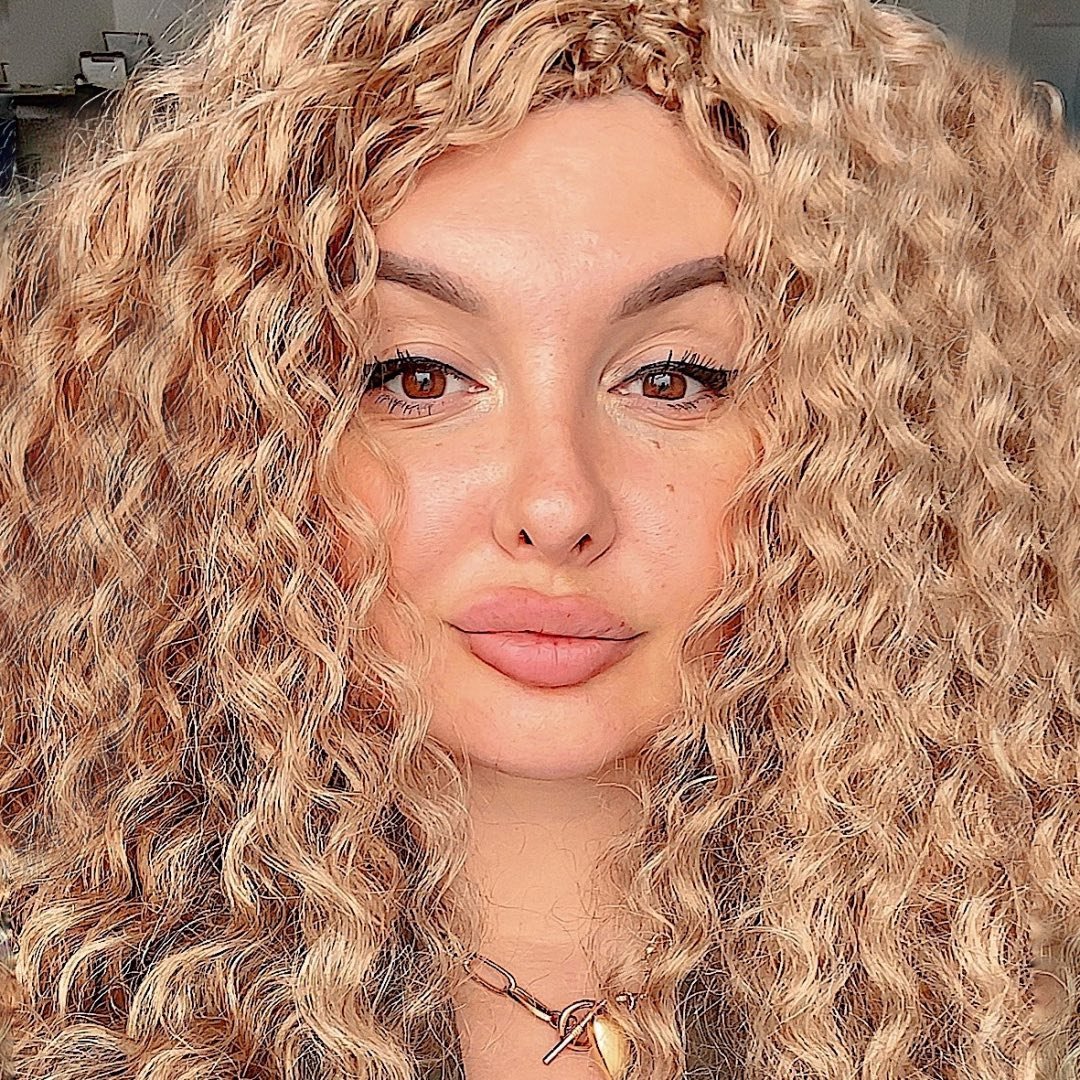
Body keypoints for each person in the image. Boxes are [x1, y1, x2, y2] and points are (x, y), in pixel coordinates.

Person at [0, 1, 1076, 1078]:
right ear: (240, 437)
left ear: (868, 448)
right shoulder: (48, 994)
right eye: (415, 376)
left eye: (676, 378)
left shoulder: (1024, 978)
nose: (556, 507)